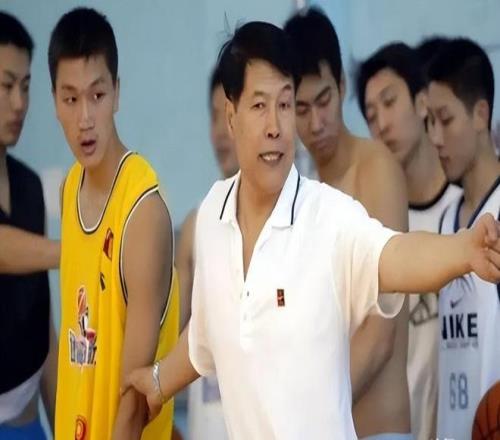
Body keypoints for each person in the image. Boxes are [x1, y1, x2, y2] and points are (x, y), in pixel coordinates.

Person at [123, 21, 500, 440]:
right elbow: (207, 332)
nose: (275, 125)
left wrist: (464, 250)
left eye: (285, 105)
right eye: (260, 106)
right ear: (231, 117)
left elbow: (394, 256)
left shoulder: (328, 215)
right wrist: (157, 381)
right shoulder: (213, 213)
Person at [49, 8, 178, 439]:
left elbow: (133, 398)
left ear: (117, 94)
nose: (85, 118)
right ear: (55, 102)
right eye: (71, 99)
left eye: (97, 95)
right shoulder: (69, 189)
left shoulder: (143, 210)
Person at [284, 9, 410, 439]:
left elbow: (381, 330)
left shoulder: (377, 169)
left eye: (323, 101)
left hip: (378, 430)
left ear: (341, 86)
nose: (316, 123)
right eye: (301, 109)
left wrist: (315, 416)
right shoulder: (304, 197)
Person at [356, 42, 462, 439]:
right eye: (370, 115)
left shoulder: (467, 212)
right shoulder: (377, 230)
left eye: (389, 102)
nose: (382, 124)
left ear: (421, 103)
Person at [426, 37, 500, 440]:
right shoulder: (445, 218)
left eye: (445, 119)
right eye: (430, 122)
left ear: (480, 114)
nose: (436, 137)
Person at [0, 12, 58, 439]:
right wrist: (80, 249)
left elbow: (43, 323)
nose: (19, 103)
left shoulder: (29, 186)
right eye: (5, 86)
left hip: (26, 424)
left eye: (25, 86)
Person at [176, 65, 235, 440]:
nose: (220, 132)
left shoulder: (294, 224)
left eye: (228, 116)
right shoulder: (196, 226)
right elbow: (170, 345)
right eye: (214, 116)